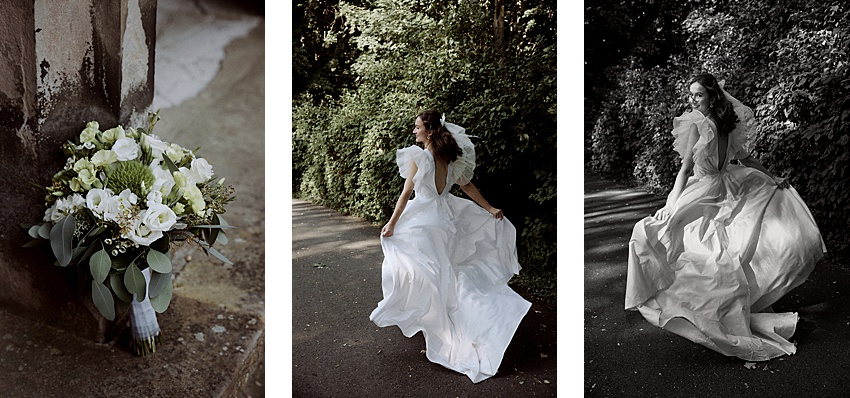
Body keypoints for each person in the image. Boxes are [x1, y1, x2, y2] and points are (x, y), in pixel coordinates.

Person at [625, 73, 826, 361]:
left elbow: (686, 170)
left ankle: (703, 310)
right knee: (717, 249)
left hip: (709, 187)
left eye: (698, 95)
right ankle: (727, 308)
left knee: (675, 241)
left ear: (712, 96)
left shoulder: (700, 123)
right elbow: (742, 160)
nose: (692, 100)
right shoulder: (724, 121)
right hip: (722, 184)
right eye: (690, 95)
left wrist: (672, 204)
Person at [369, 109, 531, 383]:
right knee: (447, 275)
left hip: (424, 222)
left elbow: (407, 193)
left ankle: (442, 325)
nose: (414, 131)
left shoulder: (418, 157)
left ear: (430, 131)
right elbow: (467, 187)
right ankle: (462, 320)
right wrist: (489, 207)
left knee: (422, 271)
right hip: (446, 221)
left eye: (417, 127)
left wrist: (392, 223)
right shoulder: (449, 159)